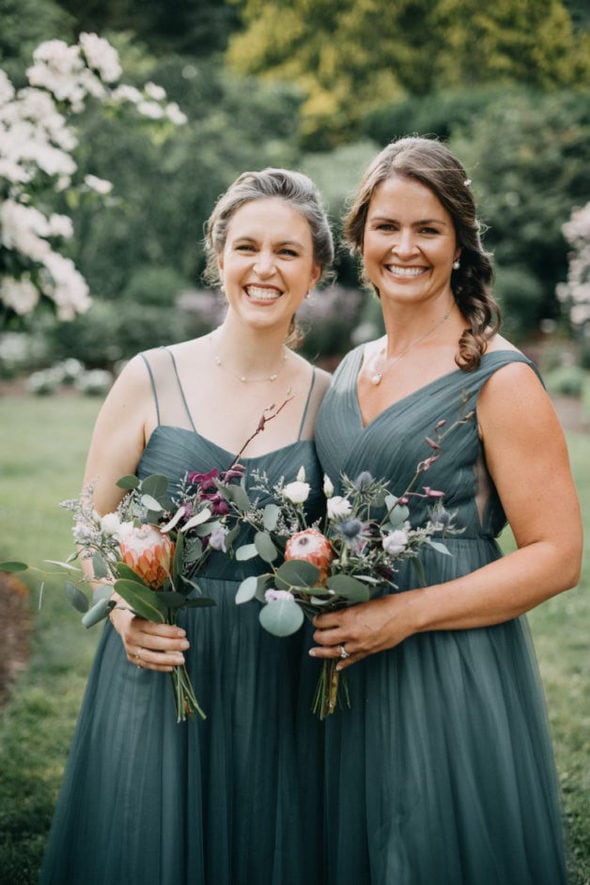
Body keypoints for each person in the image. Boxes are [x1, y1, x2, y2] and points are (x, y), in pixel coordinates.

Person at [40, 168, 334, 885]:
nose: (265, 268)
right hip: (162, 658)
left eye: (288, 252)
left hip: (279, 679)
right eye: (247, 246)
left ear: (317, 271)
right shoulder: (150, 376)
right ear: (220, 257)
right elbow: (93, 519)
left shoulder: (332, 399)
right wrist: (119, 611)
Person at [311, 136, 583, 885]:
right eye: (387, 227)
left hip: (453, 663)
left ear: (459, 242)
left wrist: (407, 613)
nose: (405, 248)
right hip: (348, 665)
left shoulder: (497, 376)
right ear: (359, 237)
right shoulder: (346, 372)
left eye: (428, 229)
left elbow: (558, 555)